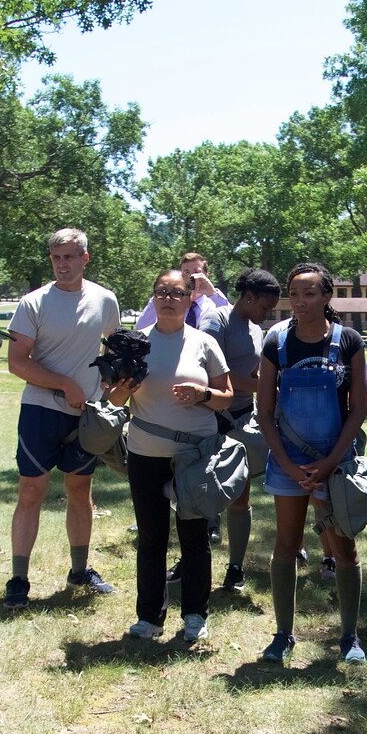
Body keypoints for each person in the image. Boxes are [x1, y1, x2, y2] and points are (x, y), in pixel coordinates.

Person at [110, 270, 232, 641]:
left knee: (194, 537)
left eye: (176, 293)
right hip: (146, 452)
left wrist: (202, 394)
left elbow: (227, 396)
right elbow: (113, 399)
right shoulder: (134, 343)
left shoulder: (204, 342)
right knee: (151, 537)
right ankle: (150, 618)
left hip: (194, 455)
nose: (168, 299)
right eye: (161, 292)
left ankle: (195, 615)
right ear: (154, 297)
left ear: (190, 298)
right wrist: (126, 387)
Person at [258, 262, 367, 664]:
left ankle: (349, 637)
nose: (300, 301)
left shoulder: (350, 341)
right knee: (285, 547)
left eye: (309, 293)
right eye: (295, 294)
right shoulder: (276, 343)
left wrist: (329, 462)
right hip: (287, 462)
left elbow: (357, 410)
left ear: (326, 297)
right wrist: (288, 465)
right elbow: (264, 412)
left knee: (344, 549)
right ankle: (283, 635)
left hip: (335, 463)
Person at [3, 227, 118, 608]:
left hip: (85, 415)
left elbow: (113, 353)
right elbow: (17, 362)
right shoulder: (33, 302)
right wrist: (64, 384)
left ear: (85, 258)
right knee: (31, 491)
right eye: (56, 258)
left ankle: (79, 570)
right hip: (41, 411)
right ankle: (19, 579)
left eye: (69, 257)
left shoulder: (105, 300)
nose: (62, 264)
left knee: (79, 491)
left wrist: (109, 390)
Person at [209, 268, 281, 591]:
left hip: (240, 417)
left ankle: (235, 567)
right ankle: (190, 561)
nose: (266, 316)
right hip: (210, 419)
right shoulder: (218, 320)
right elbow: (214, 373)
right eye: (264, 308)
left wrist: (264, 386)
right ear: (249, 296)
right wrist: (261, 387)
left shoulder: (256, 330)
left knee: (240, 494)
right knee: (200, 493)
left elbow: (255, 371)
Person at [133, 250, 230, 331]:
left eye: (197, 272)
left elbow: (233, 323)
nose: (191, 276)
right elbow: (141, 327)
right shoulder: (170, 302)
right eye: (186, 272)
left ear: (206, 275)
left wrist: (213, 294)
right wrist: (160, 293)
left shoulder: (214, 304)